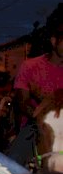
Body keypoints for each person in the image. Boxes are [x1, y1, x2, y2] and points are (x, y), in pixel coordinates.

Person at [8, 22, 63, 166]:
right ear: (54, 41)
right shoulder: (30, 66)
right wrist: (41, 118)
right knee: (13, 160)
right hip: (36, 125)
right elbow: (22, 102)